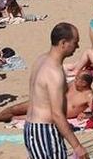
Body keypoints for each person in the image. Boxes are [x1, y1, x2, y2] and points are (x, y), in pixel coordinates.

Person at [23, 23, 88, 159]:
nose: (77, 47)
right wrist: (77, 147)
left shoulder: (41, 59)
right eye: (75, 42)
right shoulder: (54, 72)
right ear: (63, 43)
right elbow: (57, 115)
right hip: (44, 129)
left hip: (33, 128)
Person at [0, 71, 93, 126]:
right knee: (15, 108)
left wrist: (85, 115)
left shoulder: (89, 96)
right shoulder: (72, 84)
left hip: (54, 113)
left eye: (78, 80)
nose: (75, 80)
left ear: (85, 83)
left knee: (19, 117)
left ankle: (6, 119)